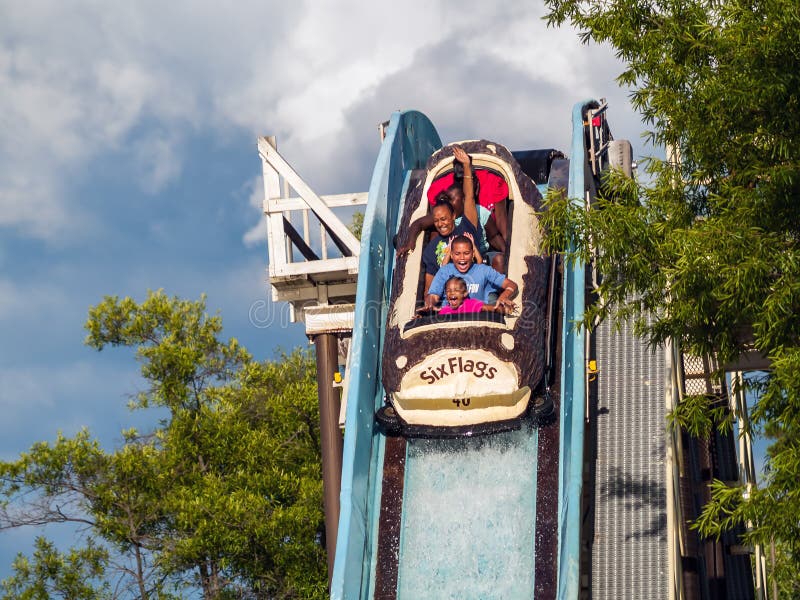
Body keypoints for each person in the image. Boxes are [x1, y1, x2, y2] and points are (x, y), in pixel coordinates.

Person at [421, 236, 517, 313]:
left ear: (473, 254)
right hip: (449, 318)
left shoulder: (483, 270)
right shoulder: (444, 271)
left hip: (476, 318)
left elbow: (511, 285)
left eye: (466, 253)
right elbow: (433, 295)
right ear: (452, 255)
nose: (462, 258)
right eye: (457, 254)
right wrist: (429, 304)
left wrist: (504, 297)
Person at [437, 276, 511, 315]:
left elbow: (492, 308)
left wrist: (505, 309)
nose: (452, 293)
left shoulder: (472, 304)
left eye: (456, 290)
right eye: (448, 291)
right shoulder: (444, 311)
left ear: (465, 293)